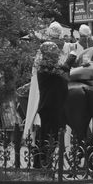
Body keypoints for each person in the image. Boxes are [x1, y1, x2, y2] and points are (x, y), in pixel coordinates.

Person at [31, 42, 69, 170]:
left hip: (56, 106)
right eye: (53, 53)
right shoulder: (45, 67)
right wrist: (71, 59)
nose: (56, 55)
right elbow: (63, 71)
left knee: (53, 137)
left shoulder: (51, 67)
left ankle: (45, 162)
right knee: (47, 137)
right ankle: (41, 163)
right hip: (49, 107)